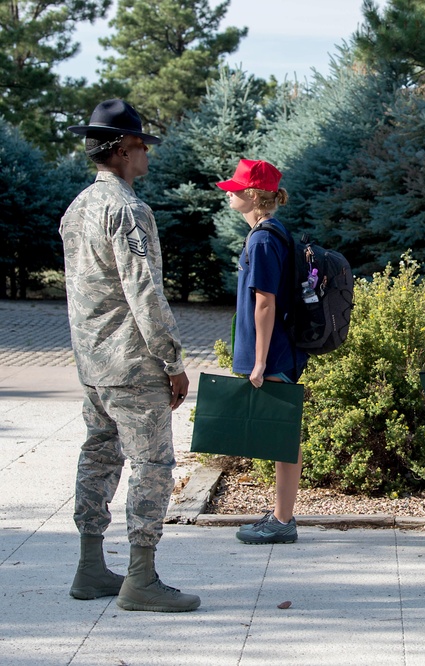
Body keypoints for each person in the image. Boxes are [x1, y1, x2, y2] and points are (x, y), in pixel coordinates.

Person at [61, 99, 200, 612]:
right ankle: (141, 578)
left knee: (97, 456)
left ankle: (90, 567)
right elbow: (144, 291)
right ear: (122, 150)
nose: (148, 156)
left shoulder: (77, 208)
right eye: (142, 146)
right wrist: (173, 361)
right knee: (152, 464)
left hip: (92, 364)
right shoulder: (128, 209)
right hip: (132, 363)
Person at [216, 159, 309, 544]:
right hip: (277, 351)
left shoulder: (264, 238)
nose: (230, 193)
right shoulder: (270, 233)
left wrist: (259, 360)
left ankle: (284, 521)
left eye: (237, 189)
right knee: (278, 435)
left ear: (254, 195)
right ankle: (279, 515)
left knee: (282, 435)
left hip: (275, 354)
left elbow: (265, 303)